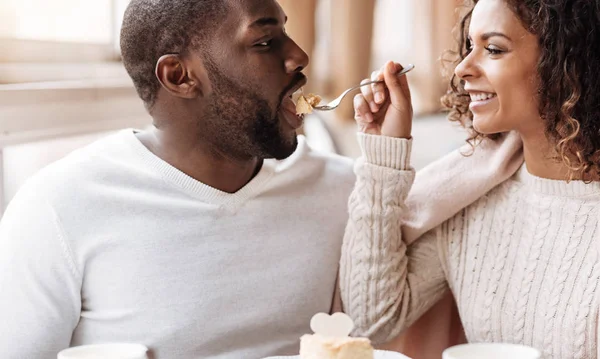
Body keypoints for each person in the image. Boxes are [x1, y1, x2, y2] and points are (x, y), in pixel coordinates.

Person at [0, 0, 521, 358]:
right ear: (180, 77)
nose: (299, 56)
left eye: (287, 33)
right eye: (266, 41)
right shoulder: (59, 206)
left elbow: (375, 329)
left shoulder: (347, 193)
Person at [341, 0, 600, 358]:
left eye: (493, 49)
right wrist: (384, 152)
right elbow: (370, 322)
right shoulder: (469, 197)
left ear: (569, 62)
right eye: (468, 47)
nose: (463, 68)